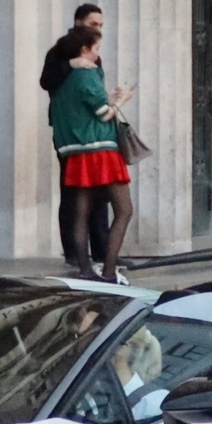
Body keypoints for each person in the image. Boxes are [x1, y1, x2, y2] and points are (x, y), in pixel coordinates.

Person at [49, 26, 133, 281]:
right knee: (124, 211)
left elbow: (81, 108)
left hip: (76, 152)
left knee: (80, 212)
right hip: (101, 150)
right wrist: (122, 100)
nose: (98, 55)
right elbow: (105, 114)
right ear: (84, 49)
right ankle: (108, 272)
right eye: (96, 49)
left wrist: (107, 98)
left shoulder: (64, 78)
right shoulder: (87, 76)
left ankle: (85, 269)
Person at [42, 5, 109, 269]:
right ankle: (73, 251)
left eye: (101, 25)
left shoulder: (95, 57)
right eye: (93, 23)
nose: (98, 29)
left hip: (92, 134)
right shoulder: (59, 52)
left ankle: (103, 250)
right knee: (72, 194)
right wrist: (70, 65)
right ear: (78, 22)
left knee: (99, 193)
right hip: (71, 135)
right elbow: (47, 81)